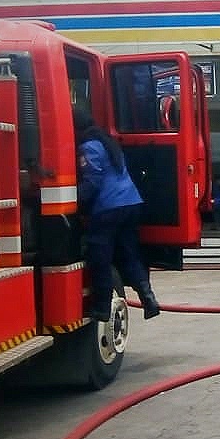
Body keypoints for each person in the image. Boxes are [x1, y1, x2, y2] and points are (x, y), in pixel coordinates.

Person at [73, 108, 161, 320]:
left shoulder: (88, 146)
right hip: (130, 202)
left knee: (100, 258)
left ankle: (102, 309)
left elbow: (93, 180)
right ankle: (149, 300)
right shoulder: (108, 142)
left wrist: (76, 202)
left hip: (108, 208)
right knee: (129, 254)